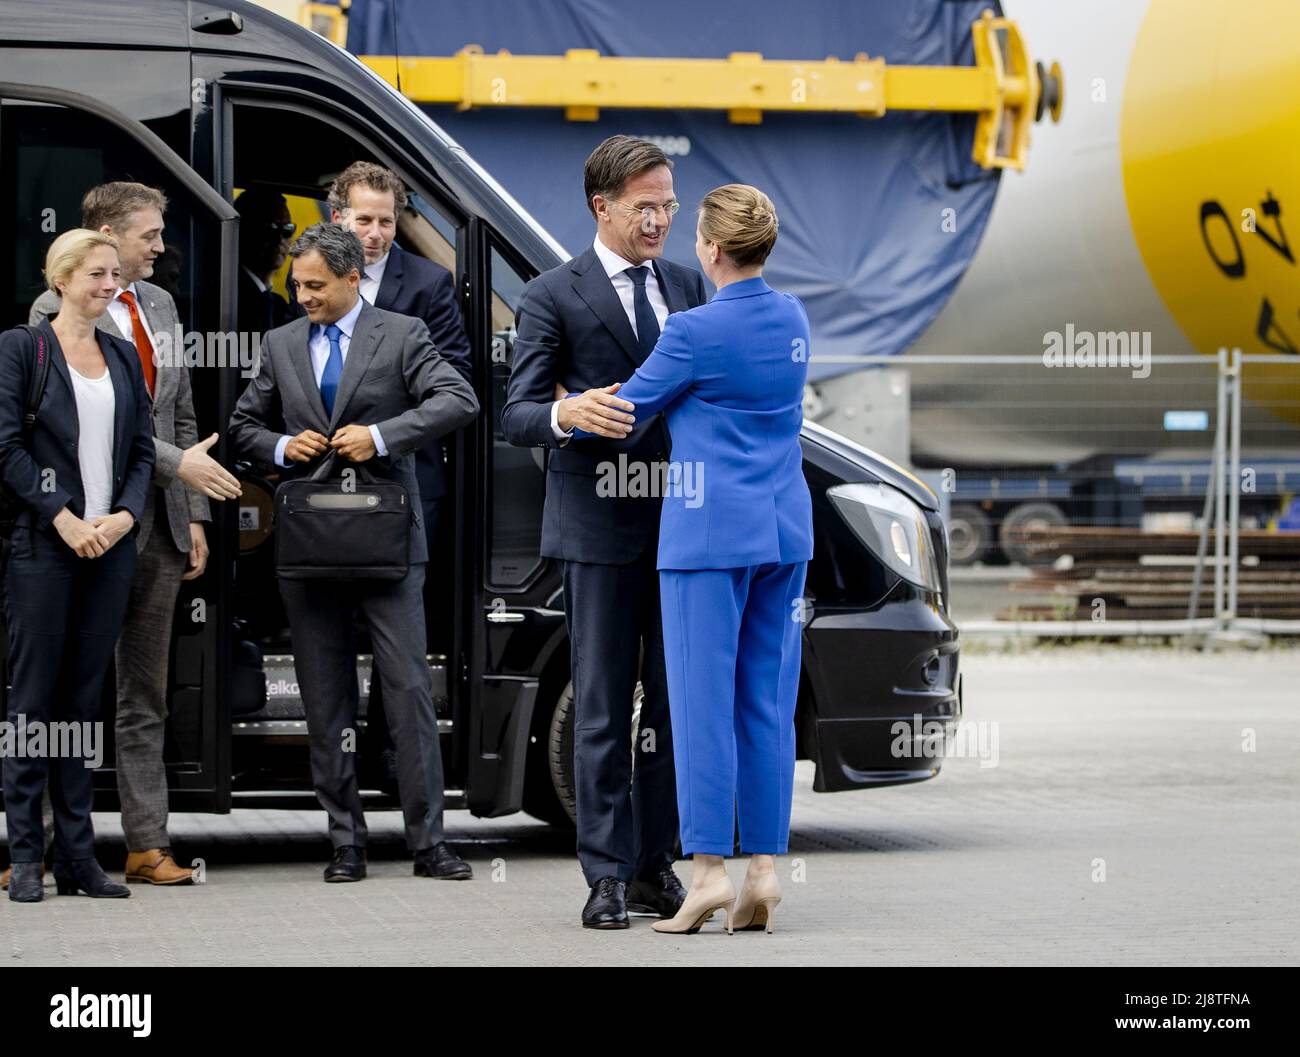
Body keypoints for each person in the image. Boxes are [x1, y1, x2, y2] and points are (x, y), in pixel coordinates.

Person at [570, 185, 813, 935]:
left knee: (701, 707)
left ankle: (707, 873)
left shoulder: (692, 331)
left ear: (709, 249)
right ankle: (764, 872)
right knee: (766, 703)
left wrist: (567, 406)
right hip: (783, 528)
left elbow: (623, 415)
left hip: (708, 537)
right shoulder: (794, 316)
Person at [229, 223, 479, 883]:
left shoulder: (401, 334)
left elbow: (459, 398)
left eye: (315, 286)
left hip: (389, 542)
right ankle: (347, 842)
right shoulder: (280, 342)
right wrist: (284, 448)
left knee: (407, 692)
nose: (302, 296)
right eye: (296, 285)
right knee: (324, 696)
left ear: (349, 279)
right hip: (310, 543)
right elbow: (242, 426)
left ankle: (429, 843)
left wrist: (381, 435)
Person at [502, 135, 709, 929]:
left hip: (683, 527)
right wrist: (568, 411)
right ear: (603, 207)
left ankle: (657, 863)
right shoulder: (553, 293)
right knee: (598, 707)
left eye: (668, 203)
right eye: (645, 206)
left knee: (668, 706)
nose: (660, 218)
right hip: (596, 532)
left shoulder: (689, 285)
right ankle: (605, 876)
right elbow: (517, 410)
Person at [30, 182, 240, 887]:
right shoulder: (52, 312)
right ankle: (55, 845)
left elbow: (178, 409)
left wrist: (196, 515)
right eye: (148, 234)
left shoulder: (161, 305)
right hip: (85, 524)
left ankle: (147, 843)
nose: (159, 246)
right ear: (105, 235)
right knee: (67, 690)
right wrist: (185, 465)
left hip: (160, 527)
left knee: (143, 692)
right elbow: (89, 424)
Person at [0, 229, 155, 902]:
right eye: (97, 274)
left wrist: (123, 516)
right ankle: (26, 856)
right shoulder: (21, 348)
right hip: (43, 547)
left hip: (109, 549)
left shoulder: (121, 356)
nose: (109, 285)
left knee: (82, 704)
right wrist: (62, 515)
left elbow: (144, 451)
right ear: (62, 278)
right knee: (33, 702)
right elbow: (5, 447)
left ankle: (80, 856)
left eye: (114, 275)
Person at [322, 161, 473, 793]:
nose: (377, 233)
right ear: (338, 219)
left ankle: (385, 752)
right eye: (364, 220)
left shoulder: (431, 284)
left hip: (407, 478)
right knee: (332, 616)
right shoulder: (311, 276)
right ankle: (332, 757)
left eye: (387, 220)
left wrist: (382, 430)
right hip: (326, 477)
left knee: (398, 622)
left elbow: (454, 376)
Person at [234, 187, 296, 338]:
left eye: (287, 229)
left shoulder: (278, 304)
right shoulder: (231, 297)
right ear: (244, 230)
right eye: (271, 227)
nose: (280, 238)